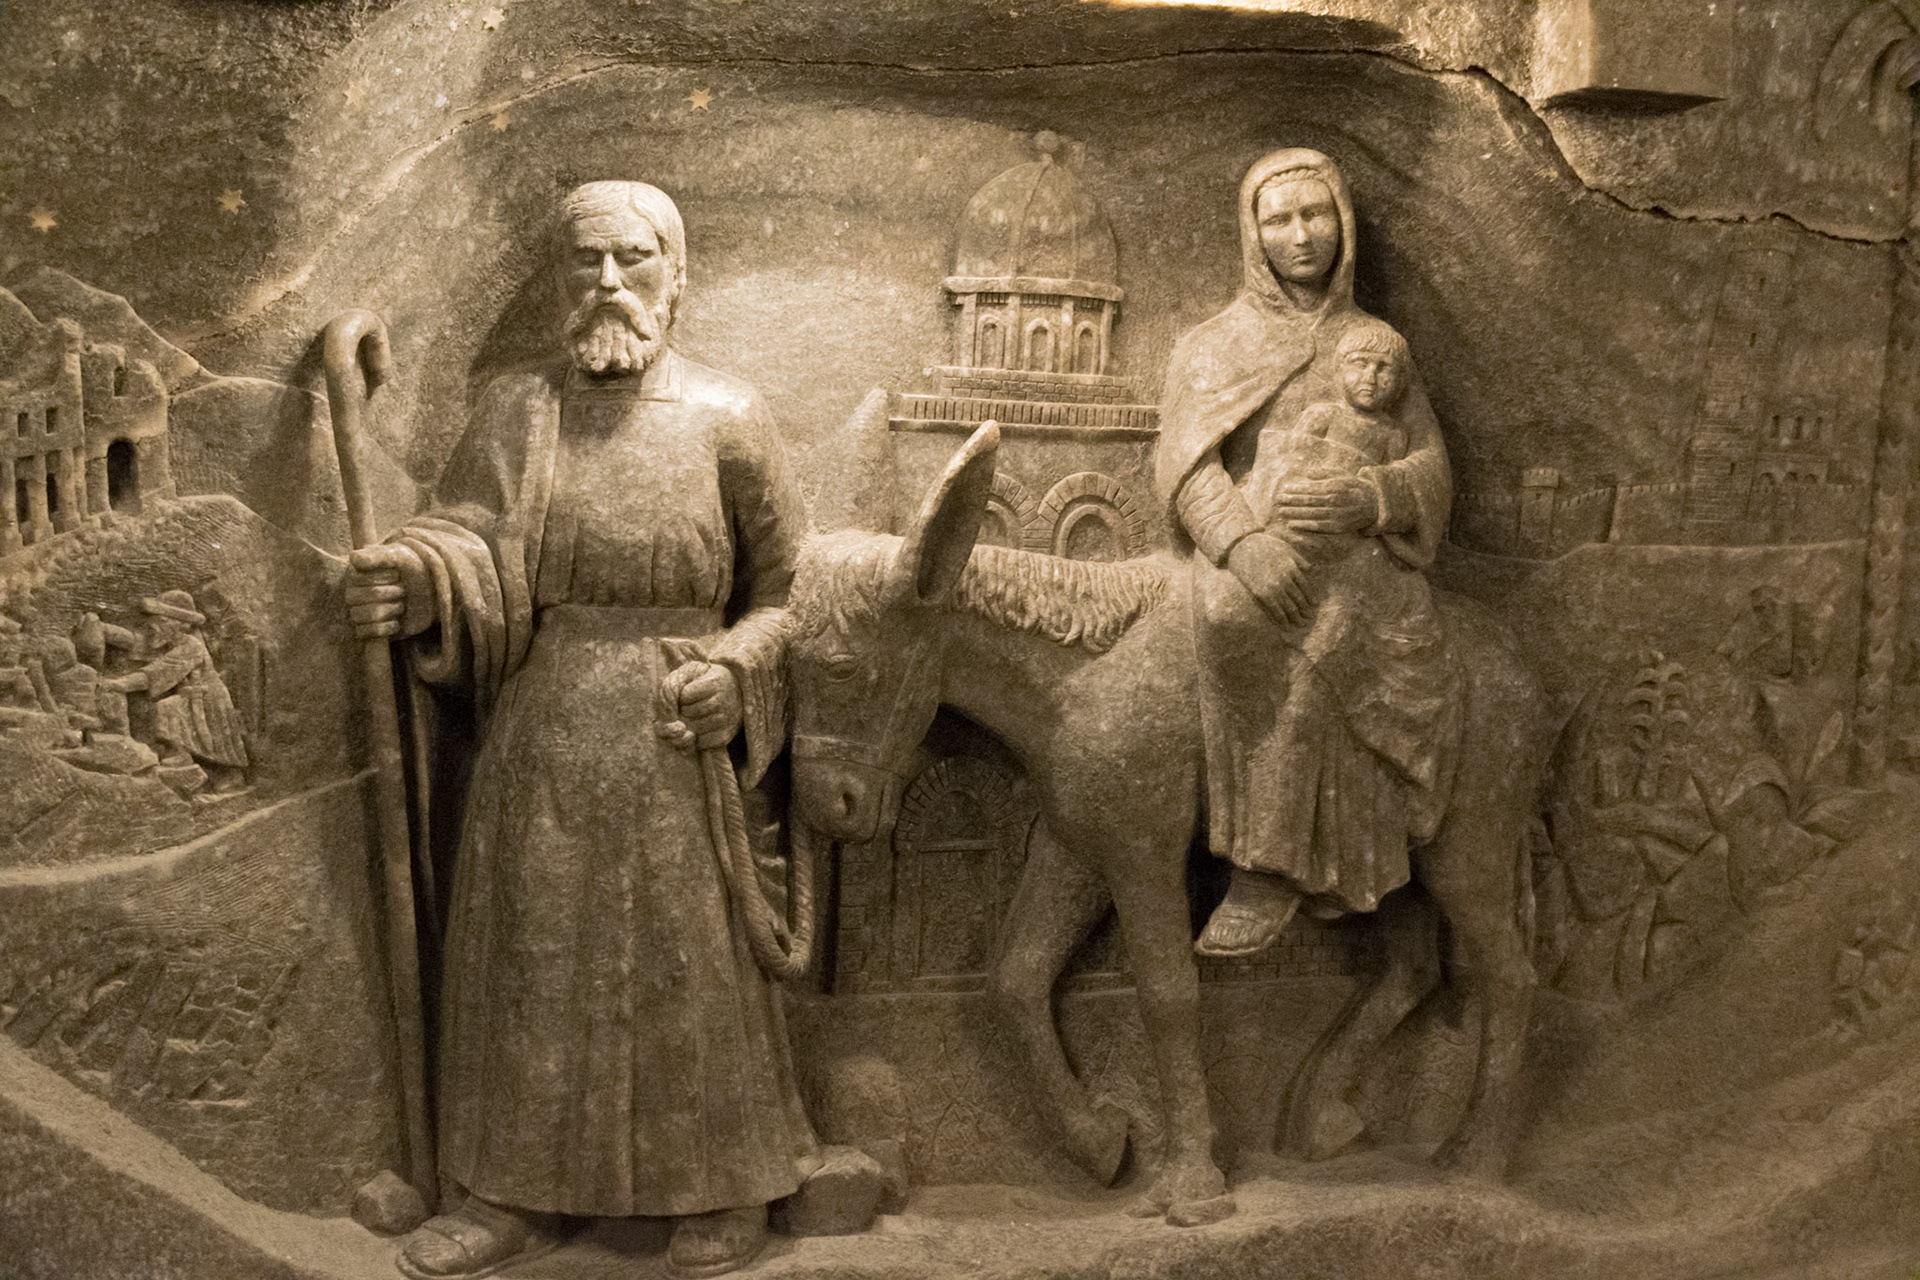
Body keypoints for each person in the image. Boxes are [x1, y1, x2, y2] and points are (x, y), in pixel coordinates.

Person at [345, 181, 813, 1279]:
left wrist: (740, 669)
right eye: (584, 262)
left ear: (675, 275)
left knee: (689, 963)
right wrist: (411, 584)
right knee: (532, 959)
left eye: (634, 259)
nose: (609, 282)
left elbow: (794, 590)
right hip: (545, 725)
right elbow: (461, 545)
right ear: (559, 282)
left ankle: (719, 1181)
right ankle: (509, 1191)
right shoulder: (518, 412)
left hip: (677, 729)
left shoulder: (727, 415)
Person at [1154, 149, 1458, 959]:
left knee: (1358, 627)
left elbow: (1430, 462)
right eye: (1279, 218)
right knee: (1227, 615)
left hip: (1361, 559)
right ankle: (1262, 863)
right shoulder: (1212, 345)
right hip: (1265, 550)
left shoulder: (1377, 343)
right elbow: (1186, 466)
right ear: (1251, 233)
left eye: (1315, 214)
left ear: (1344, 224)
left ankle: (1332, 862)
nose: (1300, 235)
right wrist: (1243, 545)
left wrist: (1376, 498)